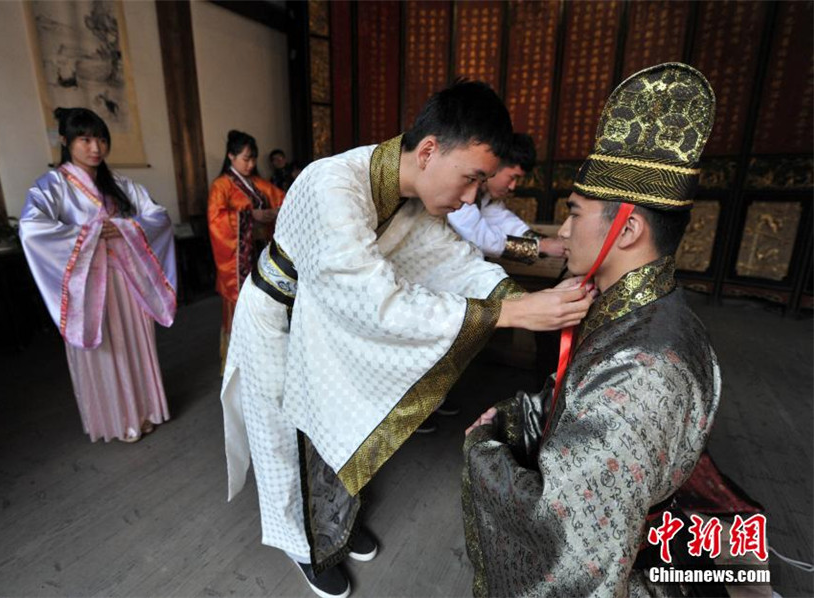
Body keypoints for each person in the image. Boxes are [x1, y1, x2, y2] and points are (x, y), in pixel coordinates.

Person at [220, 80, 596, 598]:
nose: (470, 198)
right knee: (289, 440)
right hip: (277, 321)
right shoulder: (333, 186)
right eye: (470, 180)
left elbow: (453, 262)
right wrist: (510, 312)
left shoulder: (410, 197)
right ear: (427, 151)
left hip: (325, 328)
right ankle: (303, 543)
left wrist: (514, 296)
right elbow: (377, 303)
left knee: (336, 426)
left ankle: (335, 523)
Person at [462, 63, 722, 596]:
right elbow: (581, 406)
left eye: (574, 214)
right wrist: (517, 416)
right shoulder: (644, 309)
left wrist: (483, 448)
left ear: (626, 228)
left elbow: (563, 535)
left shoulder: (645, 373)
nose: (563, 229)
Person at [20, 107, 177, 443]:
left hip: (126, 281)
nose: (95, 147)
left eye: (101, 139)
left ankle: (147, 410)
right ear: (65, 141)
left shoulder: (118, 183)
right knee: (107, 349)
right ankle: (120, 420)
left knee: (134, 343)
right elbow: (32, 230)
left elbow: (158, 216)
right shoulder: (52, 186)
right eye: (85, 139)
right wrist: (88, 235)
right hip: (89, 286)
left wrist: (124, 227)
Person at [207, 131, 285, 373]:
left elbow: (284, 199)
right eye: (246, 159)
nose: (251, 164)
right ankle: (237, 366)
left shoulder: (259, 184)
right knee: (239, 308)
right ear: (231, 156)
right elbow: (215, 220)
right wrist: (250, 216)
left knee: (264, 304)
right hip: (238, 260)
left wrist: (275, 212)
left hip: (261, 254)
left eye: (253, 159)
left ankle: (264, 359)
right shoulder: (221, 186)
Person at [448, 133, 565, 263]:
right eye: (512, 177)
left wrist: (544, 242)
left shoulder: (486, 195)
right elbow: (478, 237)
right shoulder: (461, 188)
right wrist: (540, 247)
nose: (512, 186)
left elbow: (504, 221)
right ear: (495, 166)